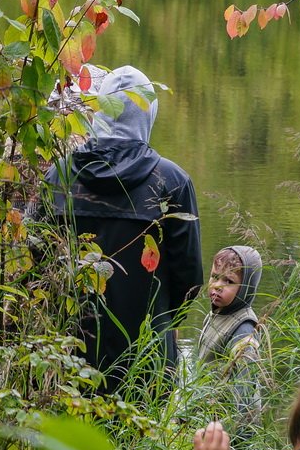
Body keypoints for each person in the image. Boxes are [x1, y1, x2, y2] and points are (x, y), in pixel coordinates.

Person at [42, 65, 202, 393]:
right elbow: (190, 280)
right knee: (138, 443)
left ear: (99, 111)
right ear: (149, 113)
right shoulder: (171, 183)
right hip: (147, 355)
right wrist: (161, 320)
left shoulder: (60, 177)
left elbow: (37, 264)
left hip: (70, 354)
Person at [196, 245, 268, 444]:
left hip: (232, 431)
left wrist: (233, 435)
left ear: (246, 289)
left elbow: (244, 389)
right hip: (209, 414)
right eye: (214, 277)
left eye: (228, 281)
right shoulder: (216, 313)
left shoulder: (244, 330)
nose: (217, 285)